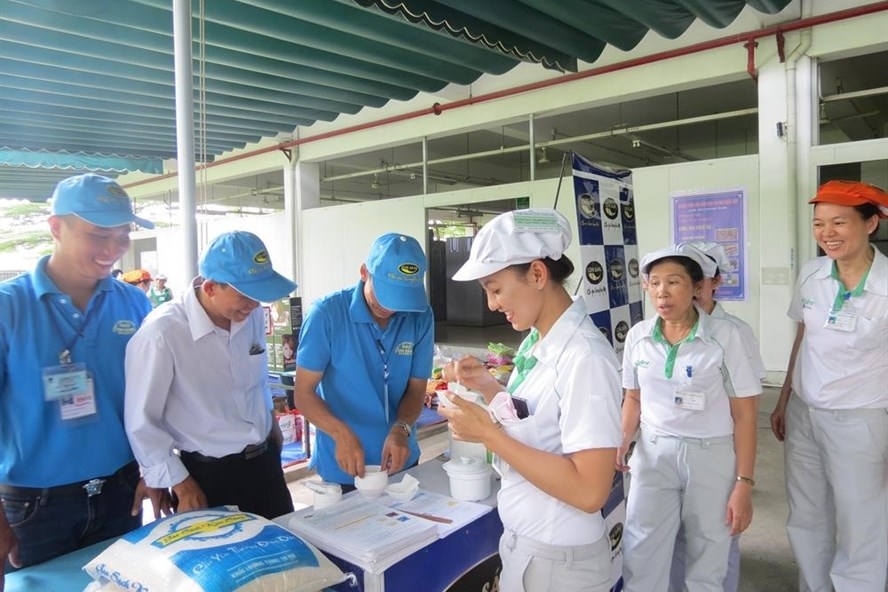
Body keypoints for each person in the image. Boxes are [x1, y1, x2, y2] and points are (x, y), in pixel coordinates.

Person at [438, 208, 622, 592]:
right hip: (530, 549)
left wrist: (489, 435)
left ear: (538, 274)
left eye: (496, 288)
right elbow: (541, 423)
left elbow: (590, 491)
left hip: (561, 566)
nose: (491, 304)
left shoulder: (584, 357)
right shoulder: (539, 340)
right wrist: (490, 387)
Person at [0, 173, 170, 583]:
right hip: (33, 509)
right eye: (98, 235)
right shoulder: (9, 308)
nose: (113, 250)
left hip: (122, 493)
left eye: (122, 234)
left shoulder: (133, 301)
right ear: (56, 227)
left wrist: (154, 469)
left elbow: (150, 398)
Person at [124, 231, 297, 519]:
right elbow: (141, 422)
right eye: (244, 296)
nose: (253, 305)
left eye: (258, 296)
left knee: (287, 551)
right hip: (209, 475)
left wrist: (270, 422)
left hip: (265, 463)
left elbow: (255, 378)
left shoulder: (248, 313)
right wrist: (180, 483)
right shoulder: (162, 335)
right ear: (211, 287)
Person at [620, 244, 761, 592]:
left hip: (711, 454)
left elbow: (745, 415)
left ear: (697, 287)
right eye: (654, 283)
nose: (662, 292)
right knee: (641, 547)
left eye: (673, 282)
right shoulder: (638, 336)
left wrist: (744, 482)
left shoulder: (726, 336)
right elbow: (633, 398)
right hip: (653, 452)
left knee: (709, 550)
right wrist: (622, 440)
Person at [769, 180, 888, 592]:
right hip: (804, 414)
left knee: (862, 520)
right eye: (819, 223)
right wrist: (784, 399)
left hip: (862, 419)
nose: (827, 234)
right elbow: (803, 338)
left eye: (839, 222)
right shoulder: (811, 273)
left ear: (871, 223)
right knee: (807, 515)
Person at [294, 233, 433, 490]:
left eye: (401, 298)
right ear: (363, 272)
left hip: (400, 455)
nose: (391, 309)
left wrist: (401, 429)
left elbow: (416, 388)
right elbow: (303, 393)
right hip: (344, 462)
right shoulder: (326, 314)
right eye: (385, 295)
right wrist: (340, 433)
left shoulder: (420, 316)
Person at [668, 241, 766, 592]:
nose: (689, 289)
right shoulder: (661, 330)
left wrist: (744, 479)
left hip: (718, 451)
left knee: (718, 539)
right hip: (673, 449)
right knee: (679, 537)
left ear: (714, 282)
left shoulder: (734, 333)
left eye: (699, 278)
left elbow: (746, 412)